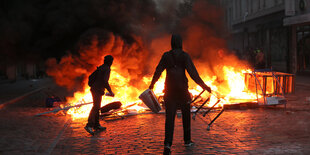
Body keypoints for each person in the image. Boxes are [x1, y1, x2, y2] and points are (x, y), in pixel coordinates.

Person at [149, 34, 211, 154]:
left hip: (169, 91)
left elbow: (158, 70)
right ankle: (187, 140)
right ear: (180, 43)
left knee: (170, 118)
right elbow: (193, 73)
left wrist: (152, 85)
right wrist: (205, 86)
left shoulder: (166, 56)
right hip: (182, 90)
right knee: (186, 115)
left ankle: (167, 144)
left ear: (172, 43)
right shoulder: (184, 56)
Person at [84, 55, 115, 135]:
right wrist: (110, 91)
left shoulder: (102, 67)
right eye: (111, 61)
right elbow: (105, 81)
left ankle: (96, 125)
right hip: (97, 90)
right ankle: (89, 125)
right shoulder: (107, 68)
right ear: (110, 61)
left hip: (96, 89)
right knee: (96, 107)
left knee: (97, 107)